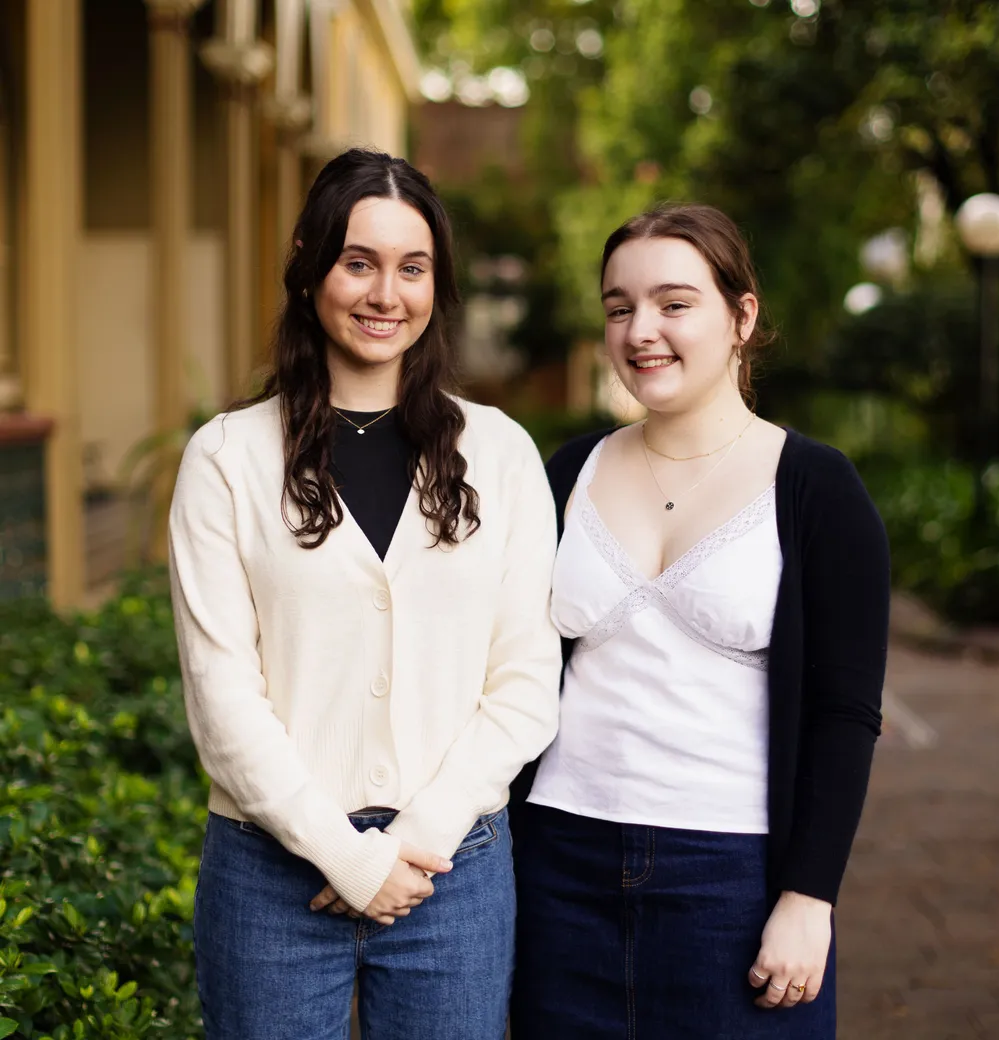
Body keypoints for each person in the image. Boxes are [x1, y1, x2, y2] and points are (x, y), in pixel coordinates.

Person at [169, 148, 561, 1040]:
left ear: (437, 286)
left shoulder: (498, 455)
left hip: (452, 869)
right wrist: (346, 856)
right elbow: (222, 698)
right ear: (309, 266)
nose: (387, 294)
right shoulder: (226, 460)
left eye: (412, 268)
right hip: (270, 873)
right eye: (359, 262)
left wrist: (414, 839)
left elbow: (528, 680)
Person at [510, 204, 889, 1039]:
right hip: (556, 865)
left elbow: (845, 713)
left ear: (741, 316)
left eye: (675, 304)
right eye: (619, 307)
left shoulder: (818, 488)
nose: (642, 329)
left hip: (733, 880)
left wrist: (809, 896)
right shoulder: (568, 471)